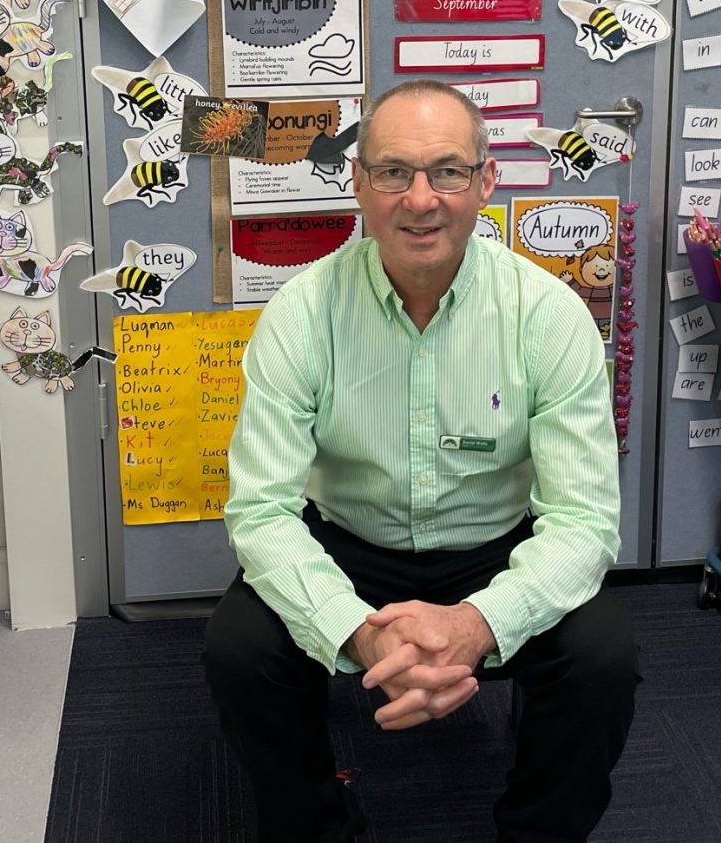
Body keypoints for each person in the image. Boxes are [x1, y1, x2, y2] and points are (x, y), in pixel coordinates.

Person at [202, 79, 639, 842]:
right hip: (348, 541)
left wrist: (475, 624)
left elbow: (585, 520)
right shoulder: (301, 313)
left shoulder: (549, 315)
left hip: (494, 547)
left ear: (486, 180)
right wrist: (360, 631)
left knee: (603, 659)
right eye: (393, 172)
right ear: (359, 185)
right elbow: (261, 511)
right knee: (239, 649)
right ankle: (319, 826)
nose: (421, 199)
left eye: (448, 171)